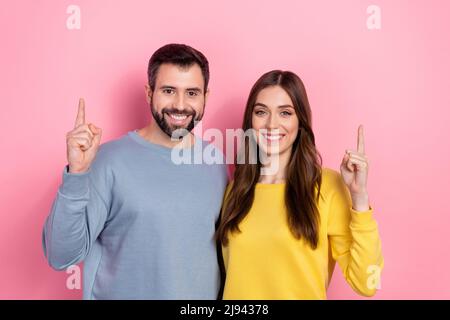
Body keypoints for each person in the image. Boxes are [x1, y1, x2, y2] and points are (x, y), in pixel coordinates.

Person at [42, 44, 228, 299]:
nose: (180, 105)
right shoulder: (106, 161)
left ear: (206, 95)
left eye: (192, 93)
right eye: (169, 90)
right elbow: (60, 256)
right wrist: (77, 173)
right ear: (149, 93)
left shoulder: (216, 163)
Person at [216, 70, 384, 299]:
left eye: (285, 113)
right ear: (250, 120)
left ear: (300, 121)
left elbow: (367, 283)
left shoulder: (327, 185)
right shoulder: (236, 191)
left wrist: (360, 198)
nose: (271, 124)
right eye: (261, 112)